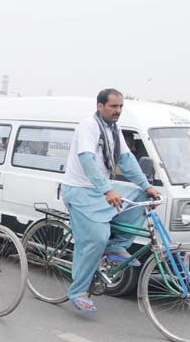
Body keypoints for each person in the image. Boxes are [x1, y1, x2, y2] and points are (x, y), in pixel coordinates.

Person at [62, 88, 160, 313]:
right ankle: (78, 290)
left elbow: (126, 160)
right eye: (113, 106)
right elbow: (87, 160)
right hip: (80, 191)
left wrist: (147, 186)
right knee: (96, 239)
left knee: (141, 195)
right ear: (100, 106)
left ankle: (117, 246)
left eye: (120, 107)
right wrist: (107, 190)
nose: (118, 111)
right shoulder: (89, 126)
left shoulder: (114, 130)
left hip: (100, 190)